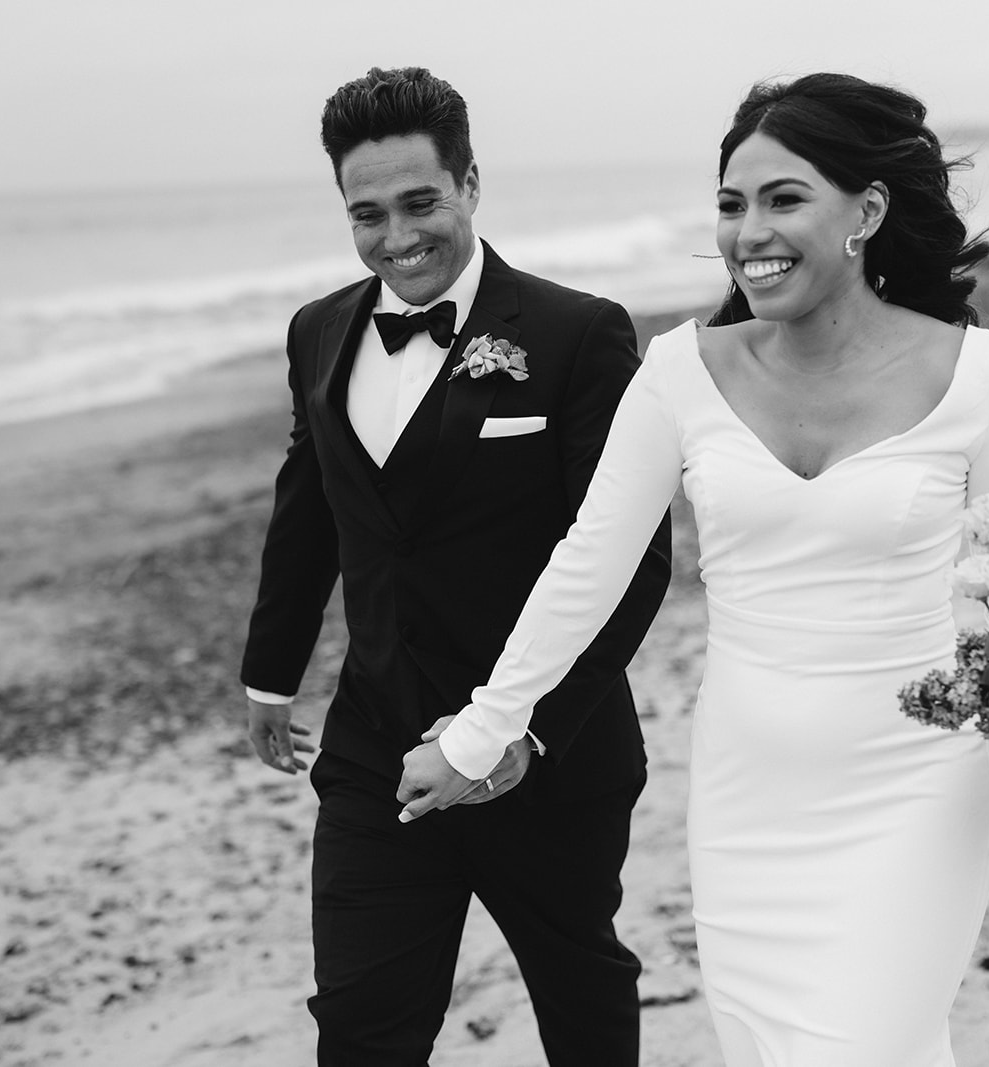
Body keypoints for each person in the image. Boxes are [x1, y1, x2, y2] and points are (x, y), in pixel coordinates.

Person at [398, 72, 989, 1066]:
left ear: (866, 211)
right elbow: (590, 562)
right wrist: (487, 726)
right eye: (732, 204)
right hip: (749, 797)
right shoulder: (678, 374)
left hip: (917, 783)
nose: (749, 230)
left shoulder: (981, 378)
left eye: (784, 198)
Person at [238, 66, 672, 1066]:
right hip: (375, 751)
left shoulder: (577, 334)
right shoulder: (317, 332)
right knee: (360, 1022)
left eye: (420, 202)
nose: (398, 237)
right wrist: (271, 673)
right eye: (367, 214)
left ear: (470, 183)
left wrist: (521, 733)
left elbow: (629, 559)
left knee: (580, 995)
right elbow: (307, 515)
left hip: (547, 752)